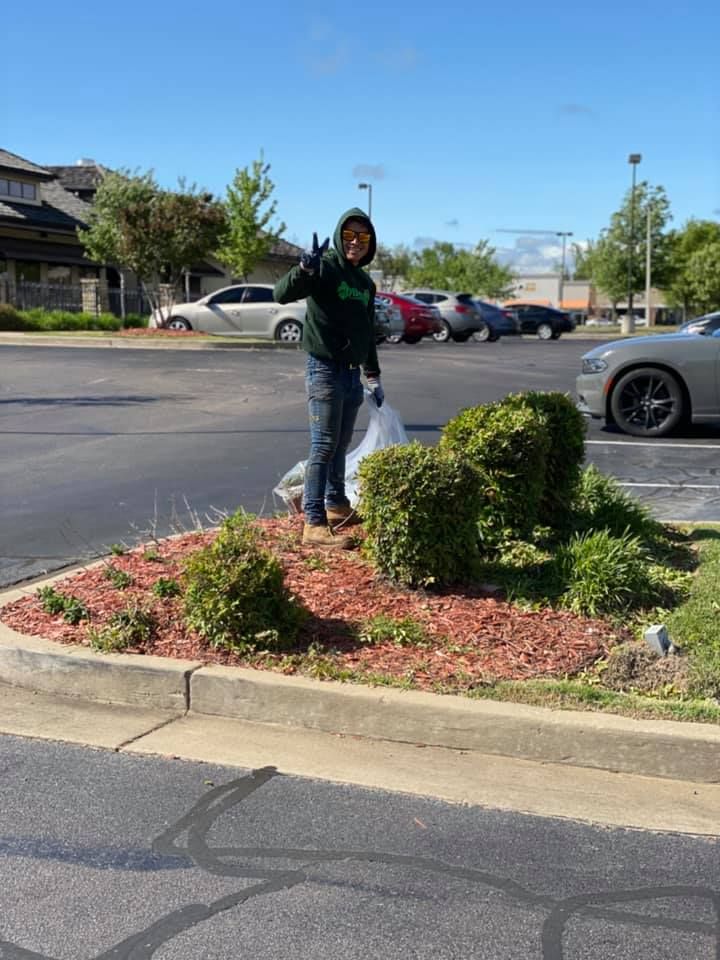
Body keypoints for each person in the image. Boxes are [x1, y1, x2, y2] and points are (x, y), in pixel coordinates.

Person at [274, 207, 384, 550]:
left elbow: (366, 332)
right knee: (323, 445)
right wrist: (304, 268)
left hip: (352, 376)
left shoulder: (366, 284)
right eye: (349, 236)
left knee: (340, 444)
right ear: (339, 236)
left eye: (362, 237)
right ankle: (314, 522)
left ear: (370, 243)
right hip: (323, 369)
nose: (355, 243)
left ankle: (336, 505)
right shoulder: (325, 268)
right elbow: (282, 293)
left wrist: (373, 375)